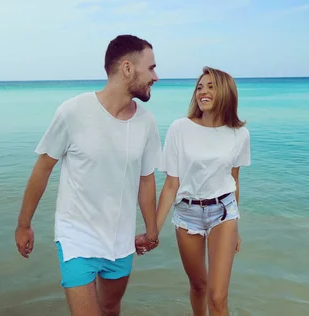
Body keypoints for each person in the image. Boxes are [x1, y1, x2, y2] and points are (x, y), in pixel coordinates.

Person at [14, 34, 161, 316]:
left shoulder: (147, 122)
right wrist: (24, 224)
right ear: (128, 68)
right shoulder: (73, 112)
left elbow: (146, 178)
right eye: (151, 67)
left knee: (110, 309)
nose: (156, 76)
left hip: (120, 239)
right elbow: (43, 168)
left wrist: (152, 230)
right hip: (76, 237)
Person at [150, 66, 251, 316]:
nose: (202, 92)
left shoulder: (240, 134)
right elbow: (171, 184)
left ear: (225, 92)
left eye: (210, 87)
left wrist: (236, 229)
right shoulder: (179, 128)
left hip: (224, 213)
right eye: (199, 87)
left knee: (217, 297)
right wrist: (153, 230)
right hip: (187, 214)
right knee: (198, 286)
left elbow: (234, 181)